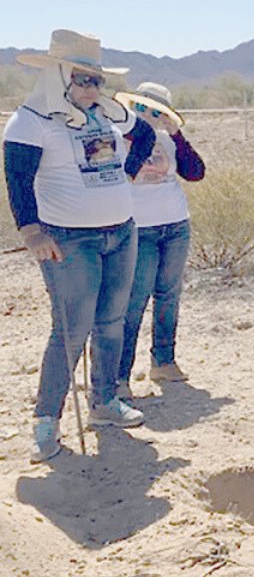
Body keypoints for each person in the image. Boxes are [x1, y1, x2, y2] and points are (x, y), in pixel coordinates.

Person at [3, 30, 156, 463]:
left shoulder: (109, 113)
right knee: (71, 330)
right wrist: (32, 233)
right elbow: (17, 179)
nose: (92, 89)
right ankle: (46, 422)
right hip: (69, 240)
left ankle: (104, 402)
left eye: (97, 80)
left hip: (122, 232)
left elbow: (143, 135)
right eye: (82, 79)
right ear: (58, 76)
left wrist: (126, 176)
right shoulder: (32, 120)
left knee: (112, 322)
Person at [115, 83, 206, 397]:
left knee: (168, 295)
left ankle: (164, 362)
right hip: (139, 229)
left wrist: (176, 135)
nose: (148, 116)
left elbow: (195, 173)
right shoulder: (119, 137)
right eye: (142, 108)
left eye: (157, 112)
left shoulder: (169, 141)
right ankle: (119, 376)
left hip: (175, 225)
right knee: (134, 300)